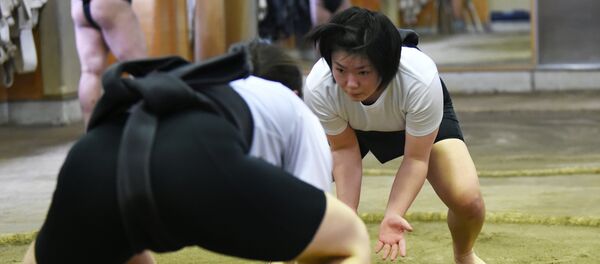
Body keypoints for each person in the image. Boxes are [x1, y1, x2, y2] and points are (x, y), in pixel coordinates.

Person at [22, 44, 370, 264]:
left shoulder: (204, 85)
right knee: (349, 238)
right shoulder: (298, 111)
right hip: (195, 161)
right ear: (295, 91)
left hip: (91, 158)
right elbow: (310, 244)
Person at [304, 7, 486, 263]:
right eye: (341, 70)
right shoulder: (319, 85)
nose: (351, 83)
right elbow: (343, 150)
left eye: (363, 72)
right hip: (351, 126)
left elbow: (415, 159)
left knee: (469, 201)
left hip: (415, 121)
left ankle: (464, 253)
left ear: (386, 66)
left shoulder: (419, 79)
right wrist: (347, 220)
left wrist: (393, 213)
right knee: (294, 184)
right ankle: (283, 254)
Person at [71, 0, 148, 127]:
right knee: (141, 69)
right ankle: (147, 132)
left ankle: (91, 136)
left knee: (90, 72)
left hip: (79, 7)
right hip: (110, 4)